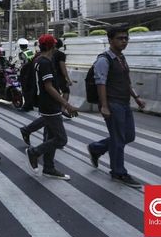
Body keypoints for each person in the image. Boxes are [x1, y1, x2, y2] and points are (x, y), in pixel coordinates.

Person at [87, 26, 145, 188]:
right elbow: (101, 83)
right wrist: (104, 106)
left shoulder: (121, 58)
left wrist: (136, 97)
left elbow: (126, 81)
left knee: (128, 136)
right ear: (110, 40)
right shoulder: (103, 60)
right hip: (113, 104)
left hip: (124, 102)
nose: (124, 41)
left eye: (126, 38)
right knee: (118, 139)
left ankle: (96, 148)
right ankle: (118, 171)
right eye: (120, 38)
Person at [24, 34, 77, 181]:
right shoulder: (45, 62)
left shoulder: (38, 60)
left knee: (51, 136)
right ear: (51, 46)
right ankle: (34, 152)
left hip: (44, 103)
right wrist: (66, 104)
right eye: (54, 45)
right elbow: (48, 87)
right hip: (50, 104)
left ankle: (49, 167)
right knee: (61, 139)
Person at [53, 39, 73, 118]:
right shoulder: (60, 54)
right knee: (66, 91)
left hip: (50, 75)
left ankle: (55, 109)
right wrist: (67, 78)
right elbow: (62, 67)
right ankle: (62, 109)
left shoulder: (49, 53)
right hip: (59, 76)